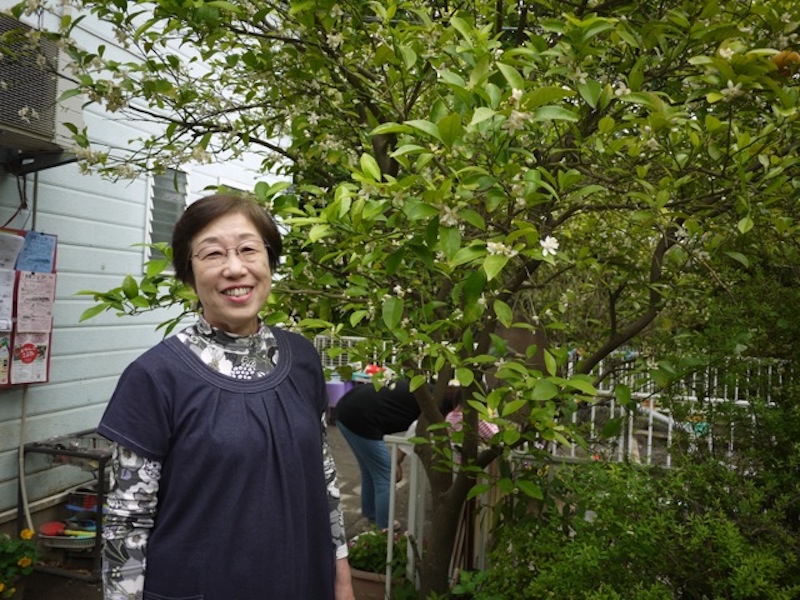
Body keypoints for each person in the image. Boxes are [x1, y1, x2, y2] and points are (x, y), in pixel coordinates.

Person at [97, 194, 355, 600]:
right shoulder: (156, 377)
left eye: (249, 249)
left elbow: (324, 483)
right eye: (212, 254)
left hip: (304, 584)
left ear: (270, 261)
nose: (235, 268)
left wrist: (342, 580)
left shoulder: (302, 359)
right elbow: (126, 523)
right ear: (189, 272)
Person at [335, 378, 420, 530]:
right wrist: (397, 462)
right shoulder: (436, 404)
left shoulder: (427, 390)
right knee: (386, 475)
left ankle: (371, 517)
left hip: (346, 411)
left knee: (370, 470)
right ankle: (384, 529)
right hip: (359, 418)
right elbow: (415, 432)